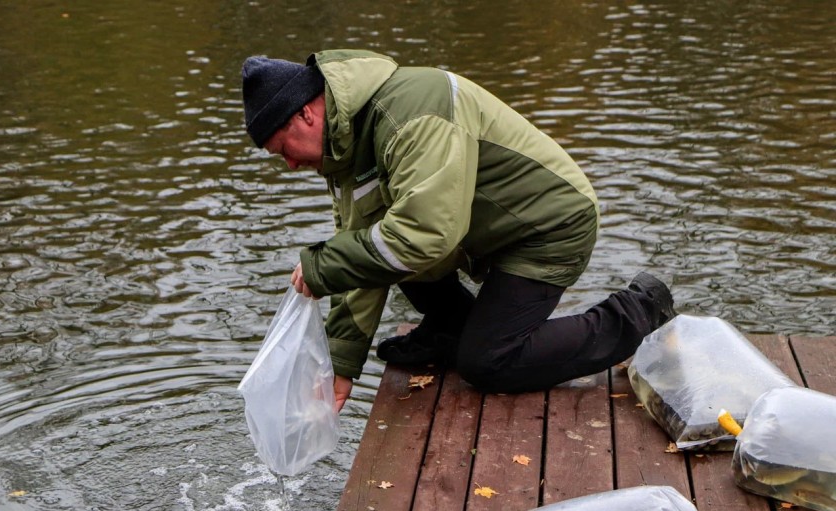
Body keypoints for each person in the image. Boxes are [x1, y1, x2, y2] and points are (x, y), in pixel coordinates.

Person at [241, 49, 676, 412]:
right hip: (484, 233)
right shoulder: (344, 148)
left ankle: (636, 313)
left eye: (283, 150)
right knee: (381, 252)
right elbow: (364, 256)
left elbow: (427, 234)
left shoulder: (412, 112)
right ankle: (451, 329)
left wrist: (323, 265)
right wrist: (341, 364)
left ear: (306, 113)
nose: (292, 165)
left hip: (548, 228)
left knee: (489, 364)